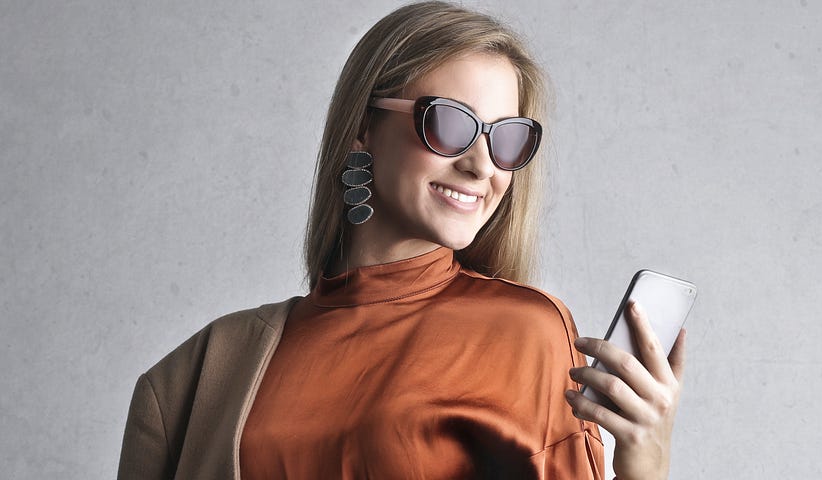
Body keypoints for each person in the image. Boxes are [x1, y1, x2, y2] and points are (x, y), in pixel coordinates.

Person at [116, 2, 685, 478]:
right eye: (449, 123)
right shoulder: (197, 374)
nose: (481, 164)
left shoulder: (524, 334)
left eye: (507, 140)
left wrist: (646, 465)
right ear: (364, 126)